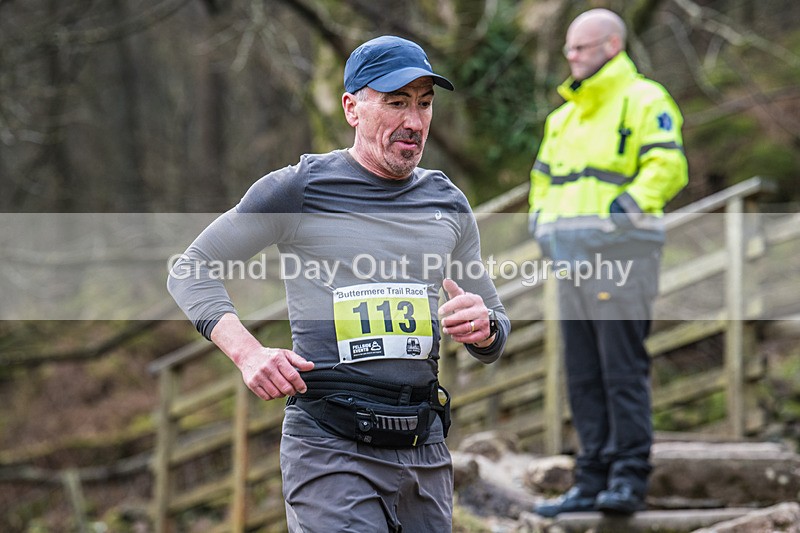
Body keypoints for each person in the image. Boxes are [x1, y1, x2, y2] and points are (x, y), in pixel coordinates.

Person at [168, 35, 509, 532]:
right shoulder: (301, 188)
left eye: (425, 104)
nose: (413, 122)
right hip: (331, 447)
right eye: (396, 103)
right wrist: (248, 353)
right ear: (352, 107)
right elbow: (191, 266)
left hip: (424, 450)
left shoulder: (447, 201)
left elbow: (495, 325)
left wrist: (485, 327)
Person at [528, 9, 688, 516]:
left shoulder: (646, 100)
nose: (570, 56)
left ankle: (628, 477)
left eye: (581, 47)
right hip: (570, 262)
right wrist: (542, 229)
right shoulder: (563, 118)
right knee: (581, 371)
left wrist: (618, 215)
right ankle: (590, 478)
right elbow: (542, 184)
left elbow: (668, 166)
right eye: (569, 48)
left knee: (620, 369)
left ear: (612, 46)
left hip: (624, 255)